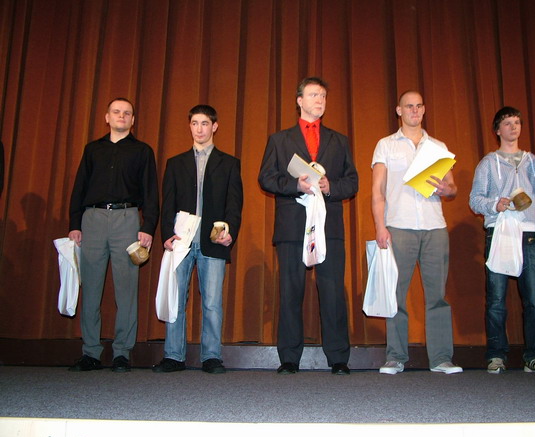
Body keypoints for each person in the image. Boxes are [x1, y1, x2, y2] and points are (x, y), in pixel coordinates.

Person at [258, 77, 358, 375]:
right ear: (299, 100)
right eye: (314, 95)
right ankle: (289, 358)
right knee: (290, 291)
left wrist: (330, 187)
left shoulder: (339, 140)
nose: (320, 100)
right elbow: (266, 178)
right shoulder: (279, 140)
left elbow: (352, 181)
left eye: (323, 95)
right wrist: (295, 185)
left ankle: (338, 358)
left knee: (333, 292)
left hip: (329, 227)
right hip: (292, 227)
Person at [371, 90, 463, 375]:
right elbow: (377, 191)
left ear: (424, 110)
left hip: (435, 227)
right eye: (409, 106)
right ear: (399, 110)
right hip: (399, 225)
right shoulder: (386, 145)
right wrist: (380, 226)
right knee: (396, 294)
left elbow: (452, 188)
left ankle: (441, 359)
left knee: (437, 295)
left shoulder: (438, 146)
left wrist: (447, 189)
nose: (414, 110)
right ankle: (395, 357)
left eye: (419, 106)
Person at [68, 97, 159, 372]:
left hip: (127, 219)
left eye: (127, 113)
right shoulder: (92, 149)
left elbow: (151, 192)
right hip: (93, 220)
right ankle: (91, 352)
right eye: (116, 112)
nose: (121, 116)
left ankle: (122, 352)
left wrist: (147, 227)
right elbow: (79, 188)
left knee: (127, 289)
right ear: (107, 117)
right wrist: (75, 224)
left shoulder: (142, 151)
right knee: (91, 288)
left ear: (133, 120)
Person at [153, 105, 243, 374]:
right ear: (189, 126)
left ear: (214, 126)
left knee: (212, 302)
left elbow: (234, 205)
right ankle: (173, 355)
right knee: (176, 299)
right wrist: (166, 235)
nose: (199, 129)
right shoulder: (175, 163)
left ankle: (211, 356)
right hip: (181, 241)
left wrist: (230, 233)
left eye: (205, 123)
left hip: (212, 241)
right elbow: (167, 203)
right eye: (195, 123)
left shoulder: (229, 163)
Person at [469, 106, 535, 374]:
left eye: (517, 122)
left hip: (530, 234)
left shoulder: (533, 162)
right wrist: (496, 204)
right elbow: (475, 200)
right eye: (507, 123)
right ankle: (496, 355)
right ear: (497, 130)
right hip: (500, 233)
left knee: (534, 300)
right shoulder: (488, 163)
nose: (513, 127)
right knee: (496, 299)